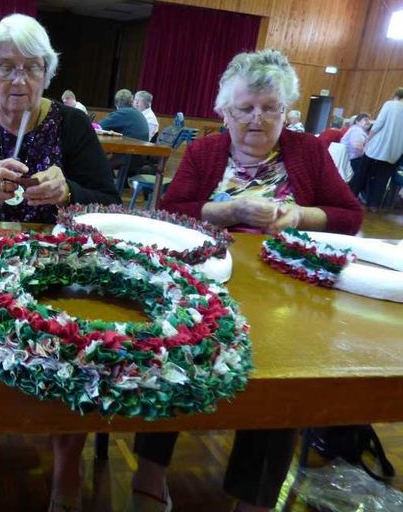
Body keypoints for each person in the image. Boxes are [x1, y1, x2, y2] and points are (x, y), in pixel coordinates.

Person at [131, 49, 361, 512]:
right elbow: (171, 211)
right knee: (175, 349)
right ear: (225, 111)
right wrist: (229, 211)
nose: (257, 118)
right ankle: (150, 473)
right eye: (245, 108)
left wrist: (301, 215)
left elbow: (350, 216)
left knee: (285, 381)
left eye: (269, 107)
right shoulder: (205, 151)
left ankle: (254, 499)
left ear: (286, 112)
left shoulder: (309, 153)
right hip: (206, 285)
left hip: (287, 294)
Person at [0, 13, 120, 511]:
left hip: (59, 264)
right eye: (4, 68)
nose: (18, 80)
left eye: (31, 68)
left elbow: (109, 201)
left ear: (47, 73)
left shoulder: (72, 124)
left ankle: (65, 473)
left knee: (78, 342)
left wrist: (70, 192)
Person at [348, 88, 403, 211]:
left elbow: (379, 124)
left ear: (395, 96)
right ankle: (374, 205)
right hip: (394, 151)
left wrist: (368, 138)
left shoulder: (390, 105)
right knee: (382, 179)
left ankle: (350, 197)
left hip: (378, 146)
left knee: (362, 172)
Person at [98, 88, 149, 174]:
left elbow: (99, 127)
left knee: (96, 162)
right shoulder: (137, 113)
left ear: (116, 103)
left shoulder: (122, 113)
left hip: (128, 157)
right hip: (138, 157)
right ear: (132, 101)